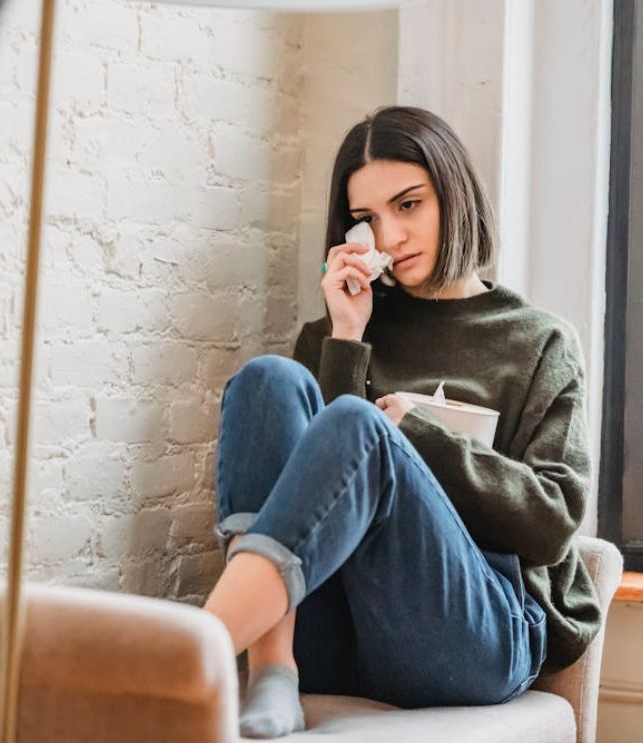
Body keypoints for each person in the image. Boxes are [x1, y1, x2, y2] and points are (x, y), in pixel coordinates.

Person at [202, 106, 603, 739]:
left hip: (468, 634)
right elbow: (312, 501)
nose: (387, 236)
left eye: (408, 205)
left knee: (362, 425)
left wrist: (415, 436)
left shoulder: (539, 342)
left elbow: (553, 521)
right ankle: (271, 668)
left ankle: (188, 657)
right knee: (267, 380)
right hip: (337, 636)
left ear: (453, 194)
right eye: (366, 219)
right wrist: (346, 336)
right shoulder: (339, 331)